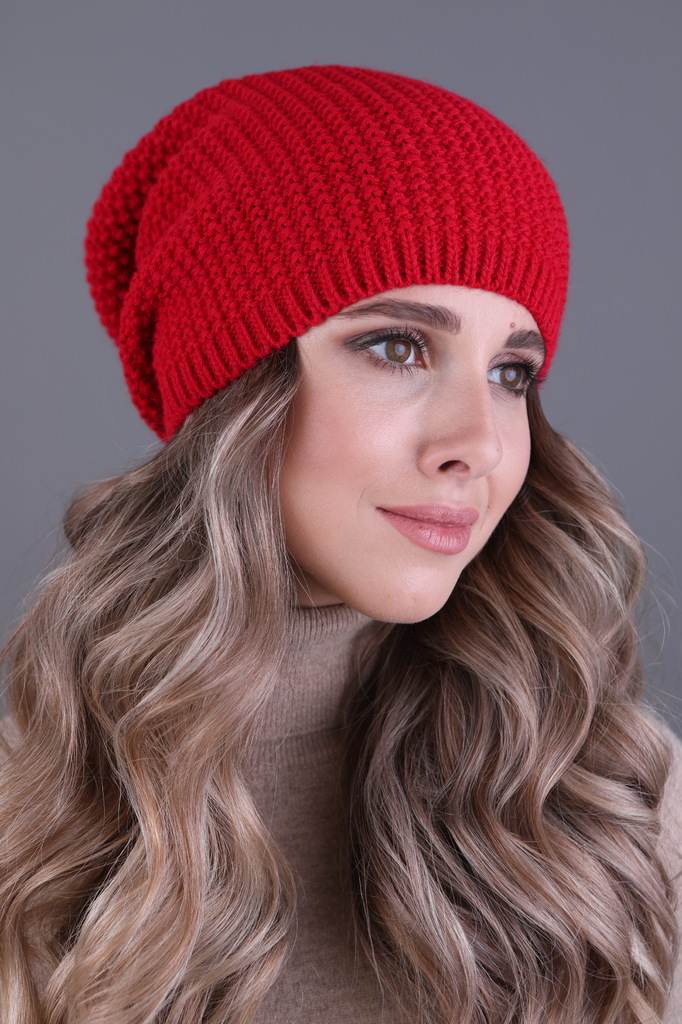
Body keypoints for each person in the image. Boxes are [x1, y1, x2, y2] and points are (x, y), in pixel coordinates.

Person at [0, 63, 680, 1024]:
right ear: (235, 391)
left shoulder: (610, 799)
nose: (481, 444)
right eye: (398, 346)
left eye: (511, 372)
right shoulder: (32, 823)